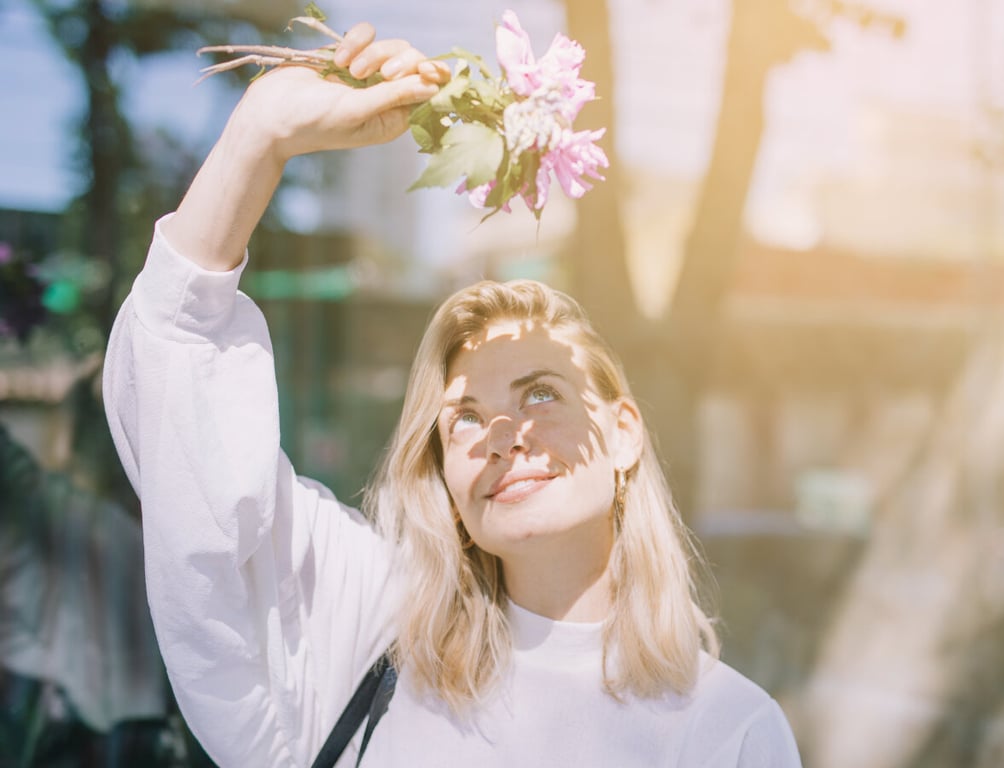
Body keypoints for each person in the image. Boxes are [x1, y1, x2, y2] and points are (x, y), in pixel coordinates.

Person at [103, 23, 803, 768]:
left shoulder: (730, 730)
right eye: (464, 417)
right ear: (444, 472)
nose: (502, 433)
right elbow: (182, 422)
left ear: (625, 431)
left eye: (539, 394)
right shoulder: (374, 629)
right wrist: (260, 136)